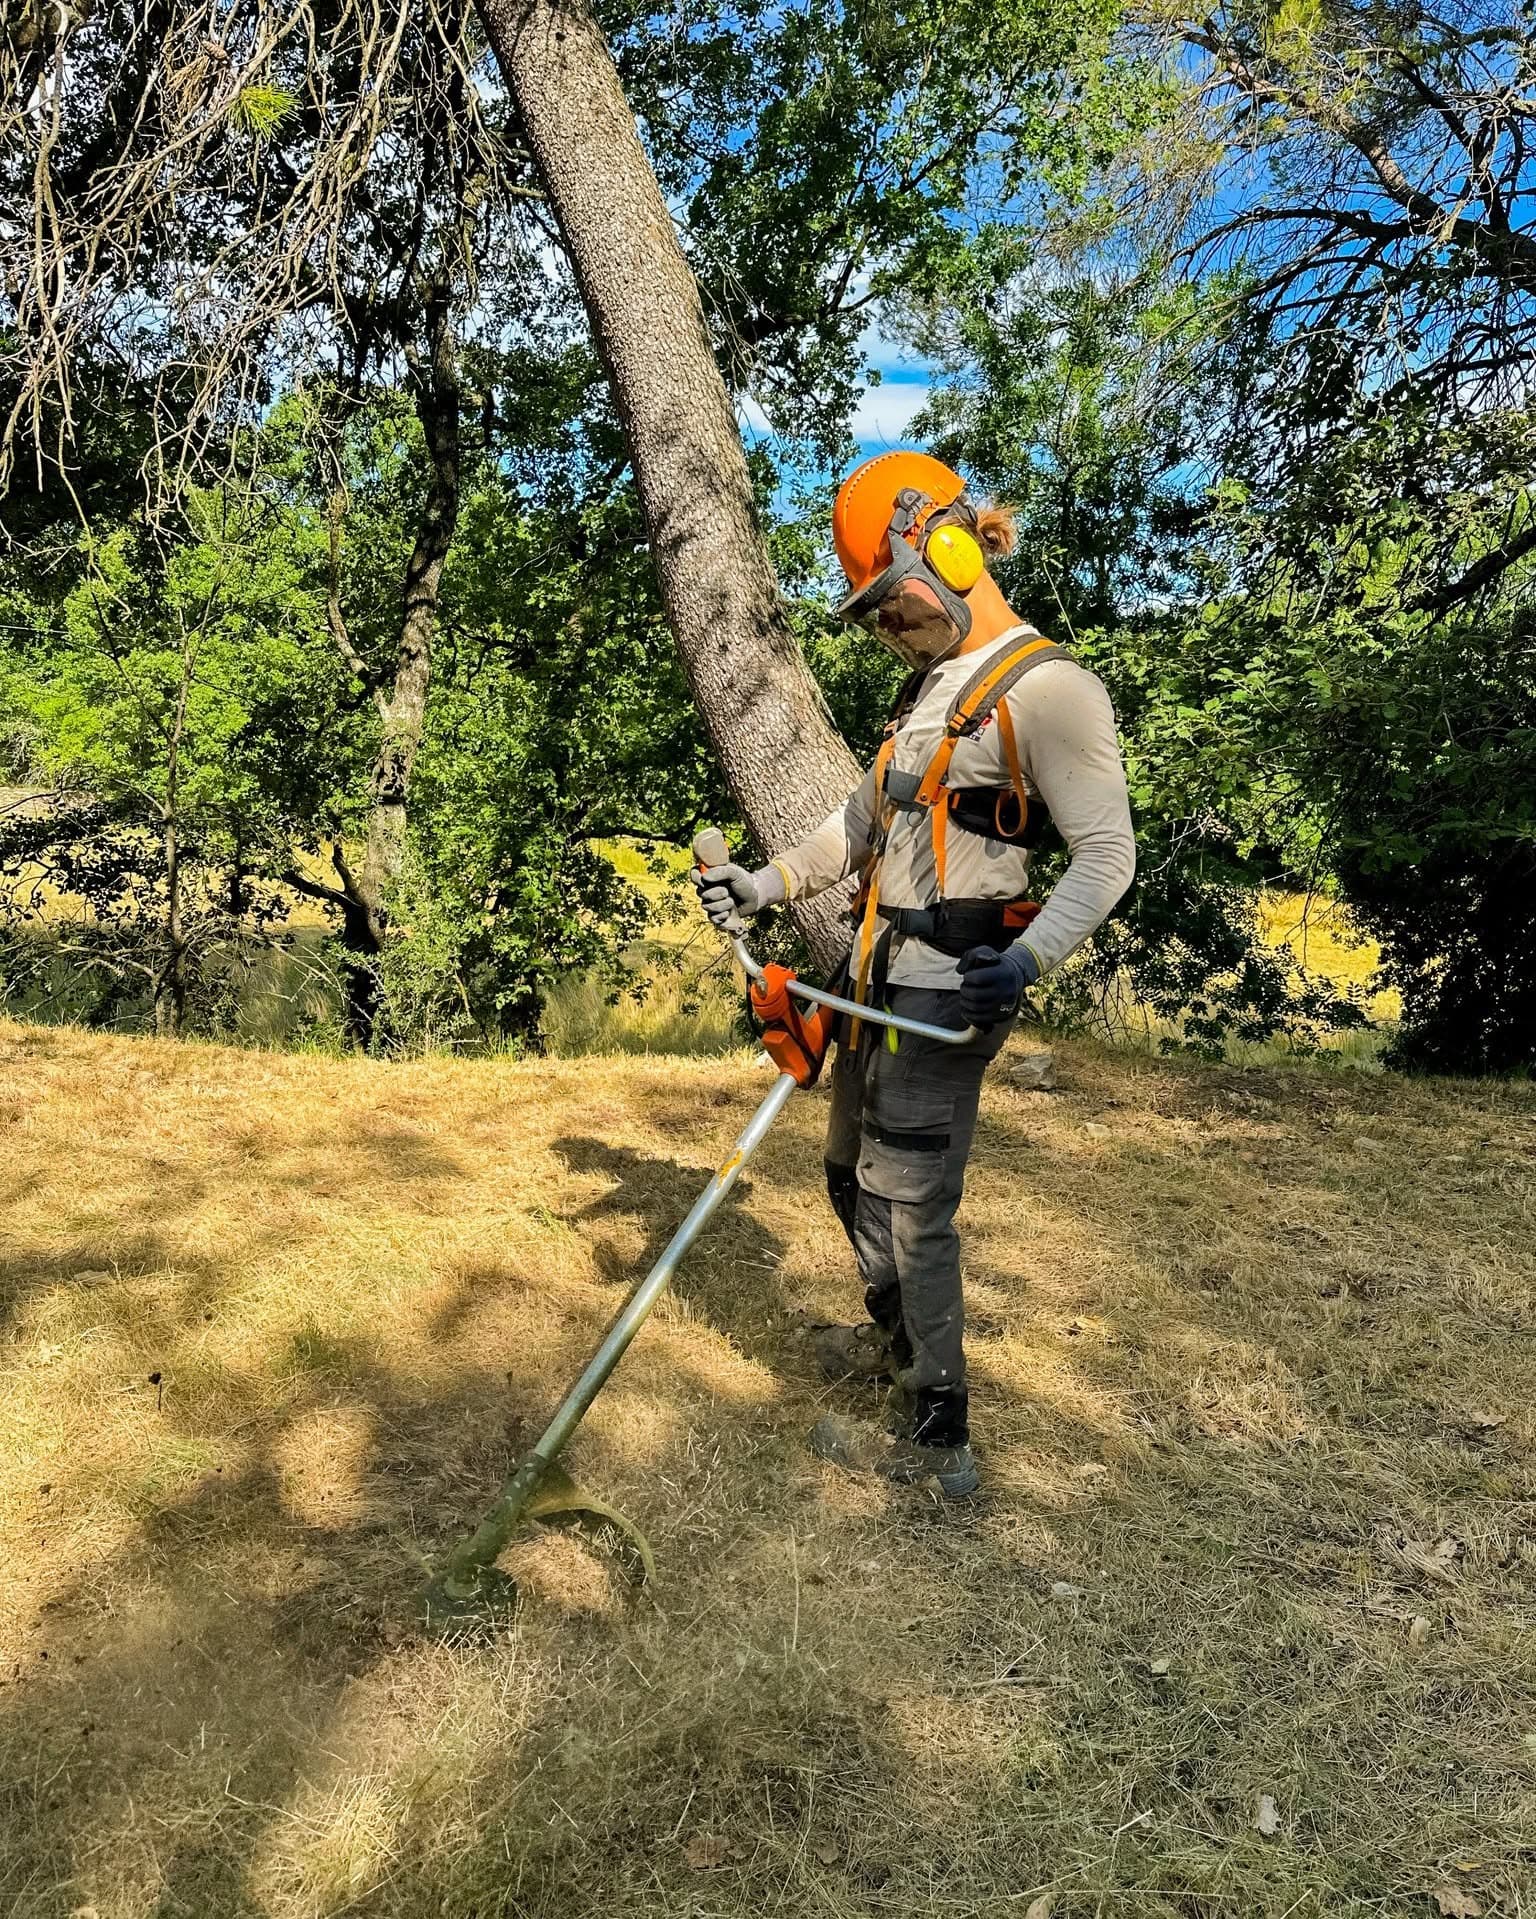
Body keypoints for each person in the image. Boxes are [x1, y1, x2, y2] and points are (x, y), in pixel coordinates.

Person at [695, 450, 1135, 1496]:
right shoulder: (929, 694)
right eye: (876, 618)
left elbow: (1109, 855)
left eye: (892, 607)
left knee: (909, 1202)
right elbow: (856, 827)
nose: (887, 629)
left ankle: (938, 1438)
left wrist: (1025, 960)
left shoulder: (1052, 691)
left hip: (950, 990)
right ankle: (902, 1353)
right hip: (873, 981)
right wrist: (761, 885)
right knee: (850, 1173)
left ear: (944, 545)